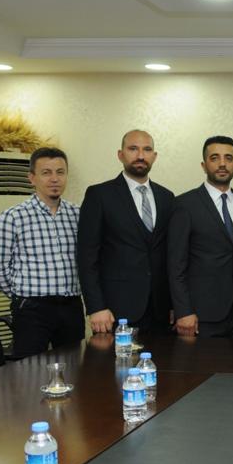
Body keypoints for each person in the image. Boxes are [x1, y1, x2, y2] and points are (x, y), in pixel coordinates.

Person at [0, 147, 83, 357]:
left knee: (75, 366)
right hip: (32, 309)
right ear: (32, 178)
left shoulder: (78, 215)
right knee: (30, 370)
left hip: (71, 306)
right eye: (46, 173)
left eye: (60, 172)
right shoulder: (11, 218)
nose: (54, 179)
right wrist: (22, 296)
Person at [77, 130, 175, 335]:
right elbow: (87, 257)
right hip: (114, 312)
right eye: (133, 149)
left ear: (154, 156)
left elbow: (171, 255)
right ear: (120, 155)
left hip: (160, 311)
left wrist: (175, 305)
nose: (140, 155)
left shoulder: (167, 197)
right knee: (113, 358)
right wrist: (96, 307)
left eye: (147, 150)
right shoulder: (99, 195)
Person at [167, 136, 233, 338]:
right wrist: (183, 311)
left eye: (228, 158)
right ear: (203, 165)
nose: (222, 164)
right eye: (215, 158)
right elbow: (175, 264)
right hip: (200, 314)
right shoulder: (185, 204)